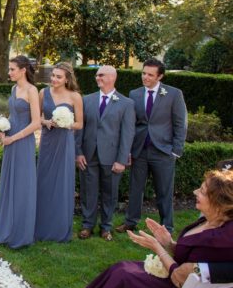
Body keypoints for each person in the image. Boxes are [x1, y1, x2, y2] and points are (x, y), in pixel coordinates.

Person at [83, 170, 233, 288]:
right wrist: (168, 243)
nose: (195, 192)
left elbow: (180, 276)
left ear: (219, 203)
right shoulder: (208, 220)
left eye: (202, 191)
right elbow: (188, 255)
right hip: (177, 282)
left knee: (124, 278)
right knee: (121, 269)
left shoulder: (220, 240)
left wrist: (158, 248)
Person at [117, 58, 188, 233]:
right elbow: (131, 124)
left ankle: (167, 227)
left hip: (163, 151)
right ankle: (130, 222)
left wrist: (176, 151)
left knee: (164, 192)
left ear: (160, 76)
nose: (145, 77)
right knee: (135, 189)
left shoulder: (174, 94)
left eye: (150, 74)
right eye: (144, 73)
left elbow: (181, 123)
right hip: (140, 150)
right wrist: (127, 150)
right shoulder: (135, 94)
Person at [75, 65, 135, 241]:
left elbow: (128, 133)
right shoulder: (86, 100)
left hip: (112, 157)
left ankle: (106, 227)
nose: (97, 78)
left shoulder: (126, 103)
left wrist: (121, 159)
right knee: (88, 192)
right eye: (96, 75)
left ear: (112, 77)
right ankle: (87, 225)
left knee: (110, 193)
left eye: (101, 75)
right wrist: (78, 152)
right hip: (88, 154)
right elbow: (79, 129)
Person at [0, 56, 41, 249]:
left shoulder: (32, 90)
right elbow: (13, 114)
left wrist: (14, 137)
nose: (9, 72)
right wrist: (2, 130)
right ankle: (6, 228)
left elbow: (36, 123)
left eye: (12, 69)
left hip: (22, 142)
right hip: (10, 139)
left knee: (21, 185)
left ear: (23, 70)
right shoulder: (13, 89)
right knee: (9, 183)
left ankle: (20, 233)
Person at [34, 62, 83, 242]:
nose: (54, 79)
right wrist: (45, 122)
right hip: (47, 141)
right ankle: (40, 226)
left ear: (67, 79)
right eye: (53, 75)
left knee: (62, 182)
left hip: (65, 143)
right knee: (44, 181)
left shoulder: (75, 97)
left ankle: (59, 228)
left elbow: (80, 124)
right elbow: (36, 117)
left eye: (58, 77)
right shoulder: (42, 93)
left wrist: (66, 123)